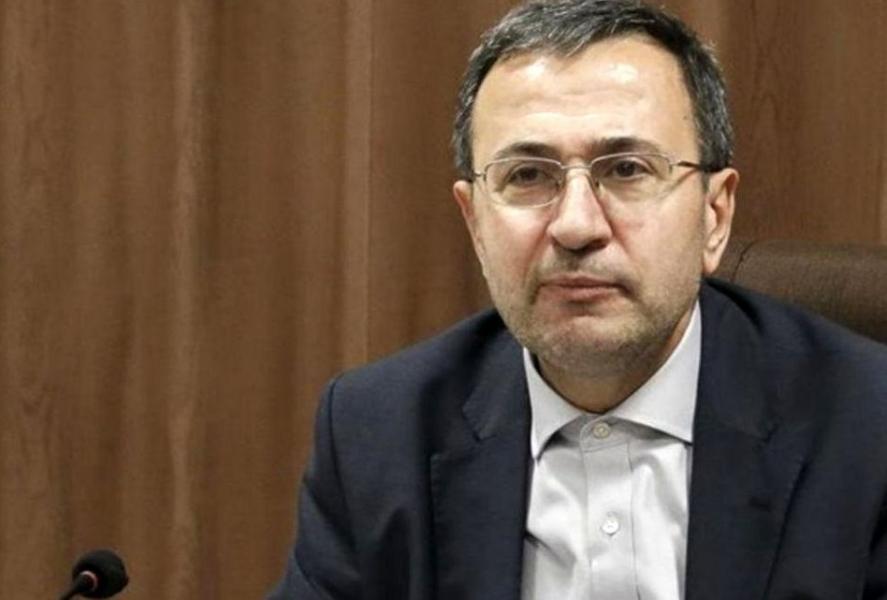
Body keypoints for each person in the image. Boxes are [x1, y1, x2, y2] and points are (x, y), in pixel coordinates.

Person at [269, 1, 887, 598]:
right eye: (527, 175)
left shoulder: (868, 427)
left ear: (714, 215)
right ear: (475, 223)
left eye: (626, 169)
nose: (576, 226)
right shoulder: (378, 433)